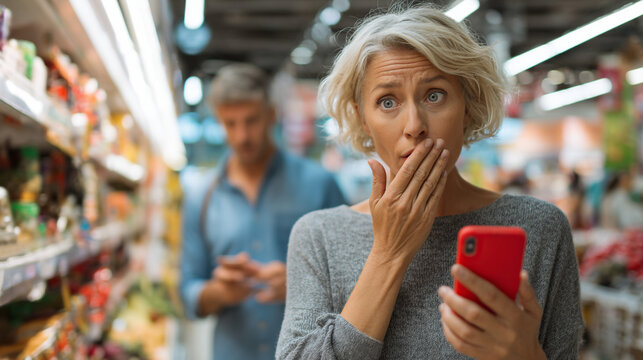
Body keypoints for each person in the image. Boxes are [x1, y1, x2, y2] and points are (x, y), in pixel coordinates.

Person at [277, 5, 584, 360]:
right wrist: (388, 254)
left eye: (434, 95)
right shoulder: (319, 237)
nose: (414, 125)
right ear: (363, 119)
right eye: (387, 101)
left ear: (467, 106)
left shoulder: (539, 228)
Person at [179, 63, 346, 360]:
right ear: (219, 121)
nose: (242, 135)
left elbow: (354, 276)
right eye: (231, 124)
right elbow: (188, 290)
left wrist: (302, 288)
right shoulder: (200, 198)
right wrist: (217, 292)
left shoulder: (319, 184)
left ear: (271, 114)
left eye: (251, 120)